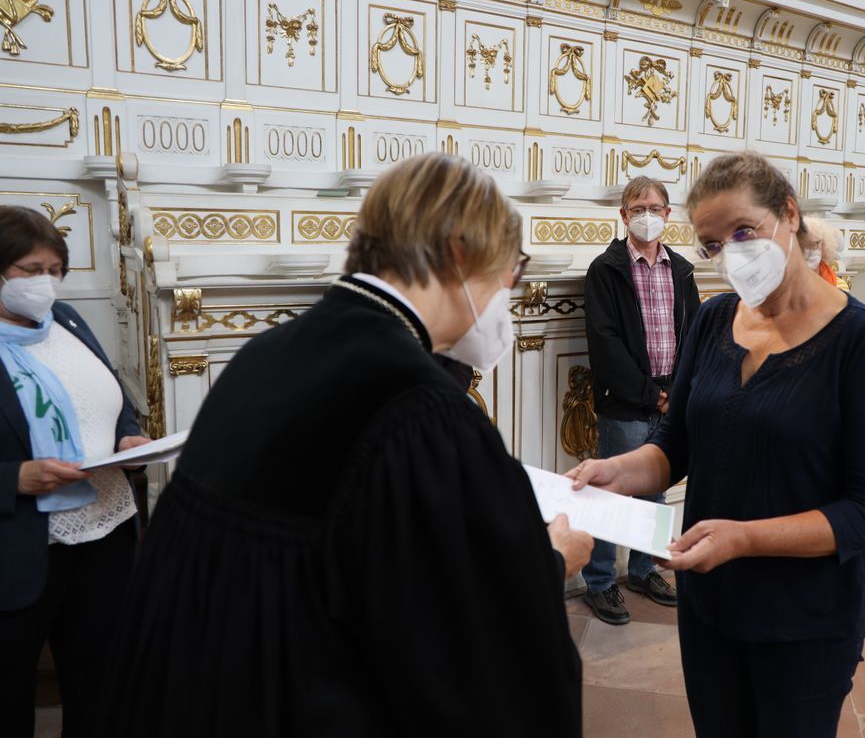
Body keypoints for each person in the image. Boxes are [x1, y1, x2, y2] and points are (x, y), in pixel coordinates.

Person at [96, 153, 593, 737]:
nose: (509, 289)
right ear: (459, 252)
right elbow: (459, 640)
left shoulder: (268, 352)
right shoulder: (417, 407)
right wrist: (549, 562)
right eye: (512, 268)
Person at [568, 151, 865, 738]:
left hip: (804, 617)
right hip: (711, 603)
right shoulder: (714, 319)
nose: (732, 253)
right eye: (712, 244)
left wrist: (745, 538)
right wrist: (615, 472)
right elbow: (673, 446)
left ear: (790, 215)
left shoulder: (863, 340)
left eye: (744, 231)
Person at [0, 206, 151, 737]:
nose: (45, 283)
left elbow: (110, 392)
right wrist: (15, 477)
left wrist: (127, 437)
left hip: (105, 534)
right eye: (30, 269)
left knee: (102, 683)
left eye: (55, 270)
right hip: (21, 543)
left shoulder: (65, 319)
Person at [581, 176, 700, 625]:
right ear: (624, 215)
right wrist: (652, 395)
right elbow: (605, 342)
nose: (646, 215)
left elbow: (692, 336)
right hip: (628, 399)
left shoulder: (682, 270)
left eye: (654, 208)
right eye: (637, 208)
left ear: (668, 214)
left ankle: (643, 569)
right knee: (612, 492)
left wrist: (676, 393)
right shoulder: (606, 269)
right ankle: (599, 581)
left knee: (654, 490)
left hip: (670, 395)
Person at [803, 217, 850, 290]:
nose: (811, 249)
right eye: (806, 244)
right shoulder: (788, 286)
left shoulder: (840, 285)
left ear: (824, 245)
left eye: (816, 243)